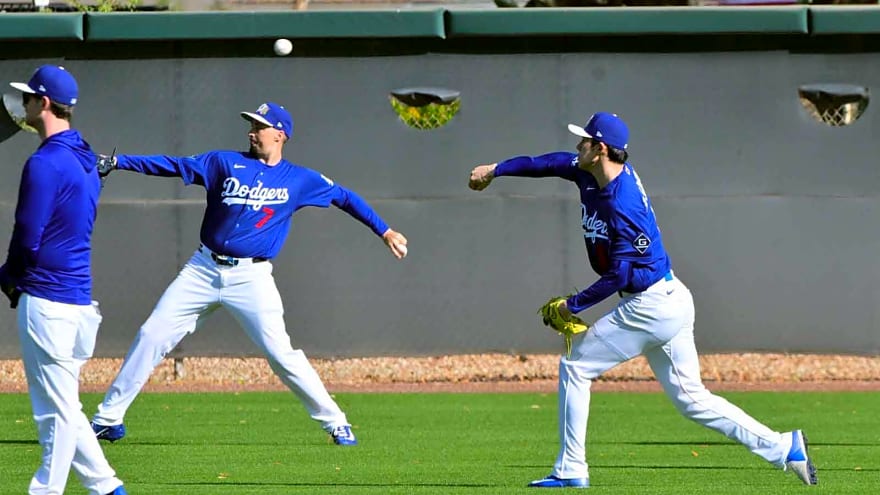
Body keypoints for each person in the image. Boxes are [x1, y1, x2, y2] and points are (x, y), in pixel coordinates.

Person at [468, 112, 817, 488]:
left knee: (575, 366)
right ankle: (785, 447)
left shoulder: (625, 203)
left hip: (651, 306)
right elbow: (548, 163)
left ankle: (571, 468)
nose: (578, 145)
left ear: (600, 149)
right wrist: (495, 169)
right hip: (667, 297)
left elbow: (618, 274)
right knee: (692, 400)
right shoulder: (591, 170)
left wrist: (573, 306)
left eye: (584, 140)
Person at [90, 101, 407, 447]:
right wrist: (120, 162)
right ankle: (108, 419)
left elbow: (345, 198)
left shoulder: (299, 179)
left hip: (251, 278)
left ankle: (336, 423)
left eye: (260, 126)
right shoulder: (223, 162)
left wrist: (385, 231)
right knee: (152, 335)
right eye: (252, 125)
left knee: (281, 354)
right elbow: (173, 165)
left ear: (280, 134)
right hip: (202, 270)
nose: (252, 131)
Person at [1, 65, 127, 495]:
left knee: (53, 413)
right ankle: (108, 489)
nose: (23, 104)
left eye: (29, 97)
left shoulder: (45, 162)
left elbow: (28, 237)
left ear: (45, 104)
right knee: (65, 407)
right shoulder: (84, 157)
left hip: (47, 303)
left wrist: (8, 277)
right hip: (76, 305)